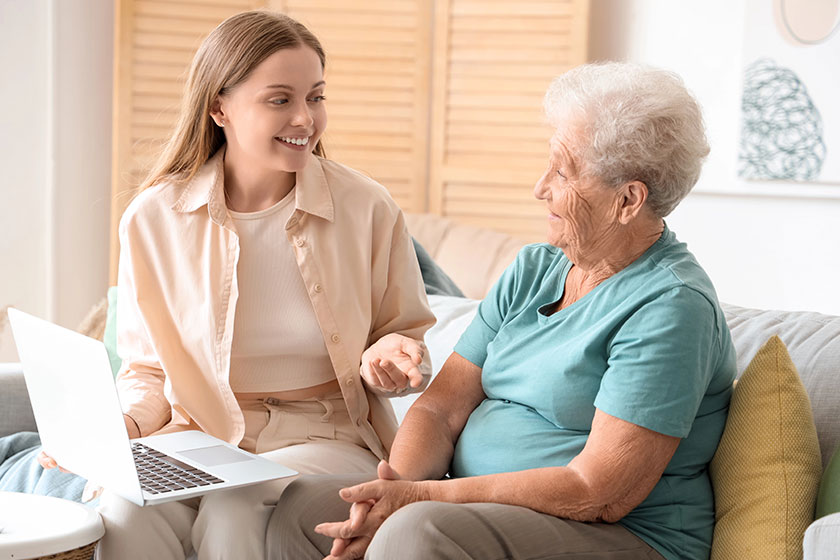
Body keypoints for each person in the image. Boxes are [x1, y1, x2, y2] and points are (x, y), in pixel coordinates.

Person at [270, 62, 737, 560]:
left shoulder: (671, 306)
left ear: (628, 200)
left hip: (624, 536)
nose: (541, 188)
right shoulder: (534, 268)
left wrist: (420, 500)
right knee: (297, 508)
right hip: (472, 505)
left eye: (563, 171)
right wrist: (395, 489)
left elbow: (598, 491)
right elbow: (440, 407)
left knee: (418, 532)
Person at [38, 10, 435, 560]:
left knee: (234, 503)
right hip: (197, 433)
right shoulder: (154, 218)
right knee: (124, 507)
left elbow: (403, 336)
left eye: (315, 97)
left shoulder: (366, 207)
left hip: (326, 436)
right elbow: (149, 367)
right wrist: (123, 426)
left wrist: (394, 356)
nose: (306, 118)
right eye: (280, 100)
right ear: (218, 107)